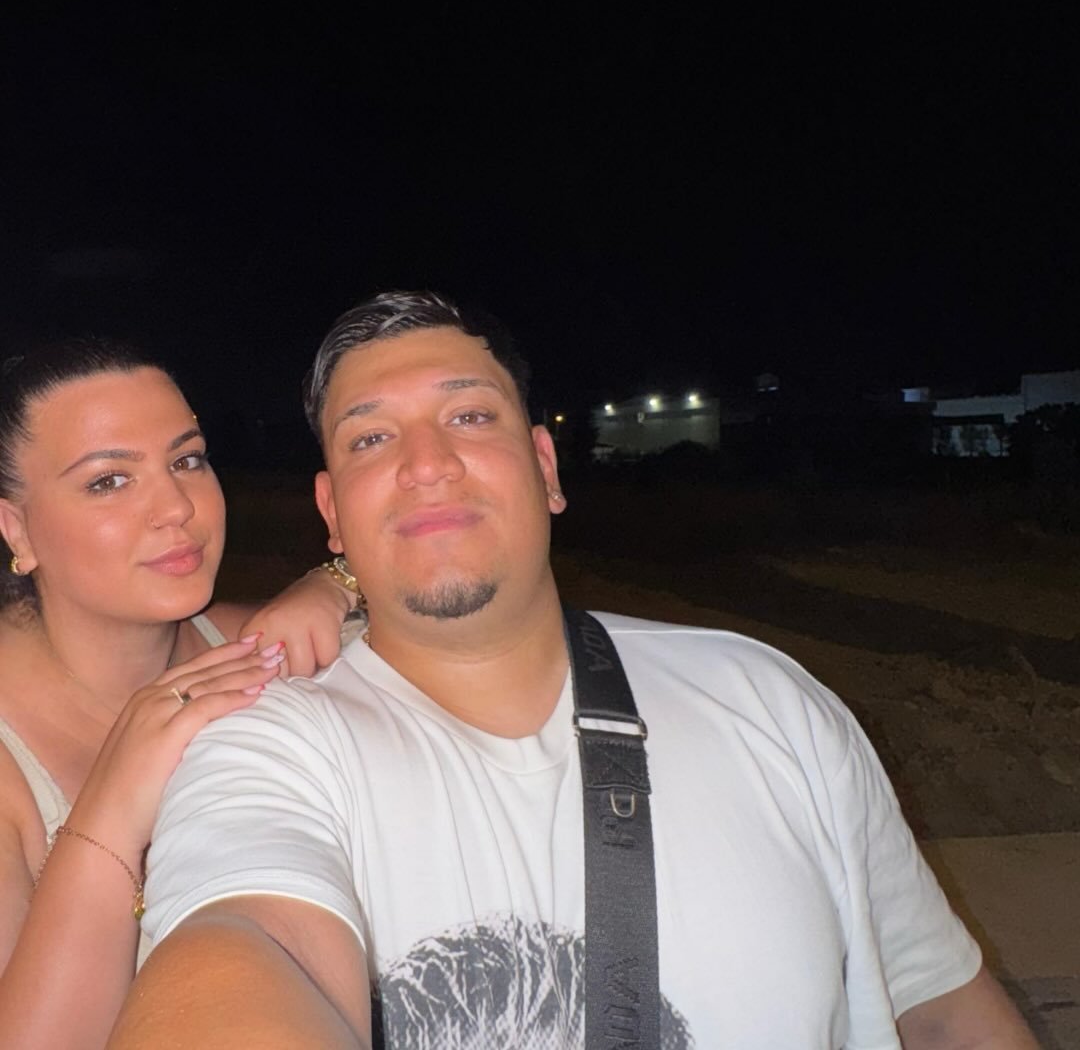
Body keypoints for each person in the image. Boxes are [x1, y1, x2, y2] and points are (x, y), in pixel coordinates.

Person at [111, 291, 1037, 1048]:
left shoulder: (772, 703)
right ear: (332, 516)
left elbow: (945, 1011)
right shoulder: (265, 747)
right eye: (371, 438)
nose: (428, 463)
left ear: (546, 467)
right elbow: (242, 948)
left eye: (469, 416)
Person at [0, 338, 359, 1049]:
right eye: (109, 480)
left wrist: (336, 584)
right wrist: (115, 800)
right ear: (16, 528)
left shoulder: (251, 646)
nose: (176, 506)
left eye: (187, 460)